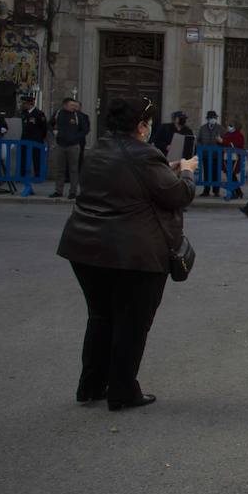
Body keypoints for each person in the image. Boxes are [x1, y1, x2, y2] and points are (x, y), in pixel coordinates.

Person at [56, 97, 196, 410]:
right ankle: (122, 390)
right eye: (146, 124)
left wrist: (168, 167)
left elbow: (130, 180)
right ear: (141, 127)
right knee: (132, 324)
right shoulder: (144, 155)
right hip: (133, 253)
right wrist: (186, 171)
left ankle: (91, 385)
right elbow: (178, 195)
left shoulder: (96, 150)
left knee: (101, 317)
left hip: (85, 248)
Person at [49, 97, 89, 199]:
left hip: (73, 146)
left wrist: (75, 137)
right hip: (60, 145)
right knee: (60, 169)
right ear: (65, 105)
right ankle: (58, 191)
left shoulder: (78, 115)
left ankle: (73, 192)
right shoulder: (58, 114)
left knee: (73, 169)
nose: (74, 107)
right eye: (71, 105)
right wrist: (54, 132)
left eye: (74, 105)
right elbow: (49, 124)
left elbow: (85, 130)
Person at [18, 94, 48, 192]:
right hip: (25, 139)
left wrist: (40, 137)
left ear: (30, 103)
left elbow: (44, 127)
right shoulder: (24, 113)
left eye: (25, 103)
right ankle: (22, 176)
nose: (23, 105)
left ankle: (37, 175)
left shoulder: (39, 114)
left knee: (36, 158)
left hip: (36, 139)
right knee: (23, 158)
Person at [196, 110, 224, 196]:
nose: (213, 119)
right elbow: (198, 140)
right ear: (208, 119)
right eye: (211, 118)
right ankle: (206, 190)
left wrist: (220, 142)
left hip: (217, 155)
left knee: (216, 173)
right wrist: (201, 148)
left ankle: (216, 190)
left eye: (214, 118)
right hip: (206, 154)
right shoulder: (203, 128)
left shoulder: (220, 128)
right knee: (207, 173)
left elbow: (224, 140)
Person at [219, 120, 246, 200]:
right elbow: (223, 143)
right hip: (226, 157)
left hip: (235, 158)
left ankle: (236, 192)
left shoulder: (239, 135)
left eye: (231, 125)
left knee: (232, 175)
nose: (229, 127)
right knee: (230, 175)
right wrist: (220, 141)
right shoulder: (227, 134)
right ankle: (238, 192)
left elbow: (235, 145)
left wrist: (223, 141)